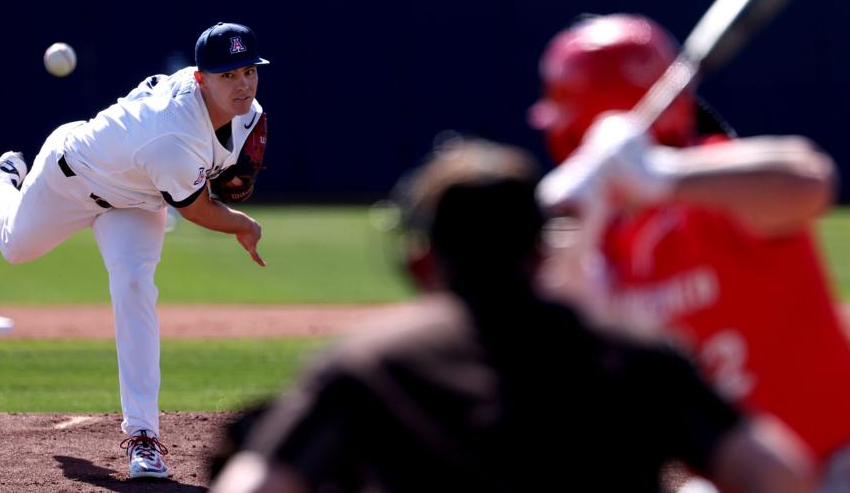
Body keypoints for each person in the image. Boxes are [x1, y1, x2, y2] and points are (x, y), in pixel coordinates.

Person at [209, 138, 814, 493]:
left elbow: (255, 486)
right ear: (541, 249)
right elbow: (778, 474)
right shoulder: (638, 354)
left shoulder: (372, 364)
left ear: (423, 257)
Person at [532, 13, 850, 490]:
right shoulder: (592, 228)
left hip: (832, 466)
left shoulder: (715, 186)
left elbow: (809, 182)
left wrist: (662, 176)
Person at [0, 21, 270, 479]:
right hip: (72, 177)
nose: (242, 84)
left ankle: (143, 436)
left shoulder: (247, 114)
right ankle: (0, 182)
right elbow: (197, 210)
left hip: (137, 200)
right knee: (14, 247)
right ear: (200, 78)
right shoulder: (172, 136)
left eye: (249, 70)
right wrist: (243, 224)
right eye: (227, 75)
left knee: (134, 287)